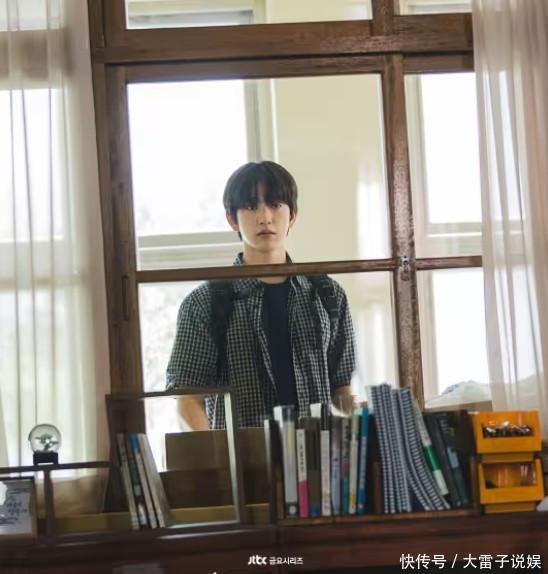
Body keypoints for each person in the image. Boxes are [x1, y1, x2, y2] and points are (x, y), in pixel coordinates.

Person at [166, 161, 356, 429]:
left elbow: (341, 388)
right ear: (232, 219)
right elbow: (187, 398)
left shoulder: (327, 294)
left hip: (317, 451)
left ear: (293, 215)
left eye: (275, 204)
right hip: (244, 453)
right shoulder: (205, 302)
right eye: (251, 206)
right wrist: (215, 453)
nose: (265, 217)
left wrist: (368, 425)